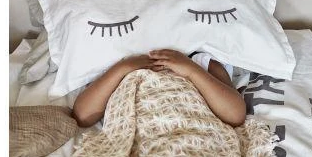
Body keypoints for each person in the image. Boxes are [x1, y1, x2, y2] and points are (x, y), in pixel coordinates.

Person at [73, 49, 247, 128]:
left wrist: (192, 71)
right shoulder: (116, 66)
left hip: (196, 136)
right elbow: (82, 116)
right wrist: (122, 69)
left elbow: (235, 115)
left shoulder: (200, 63)